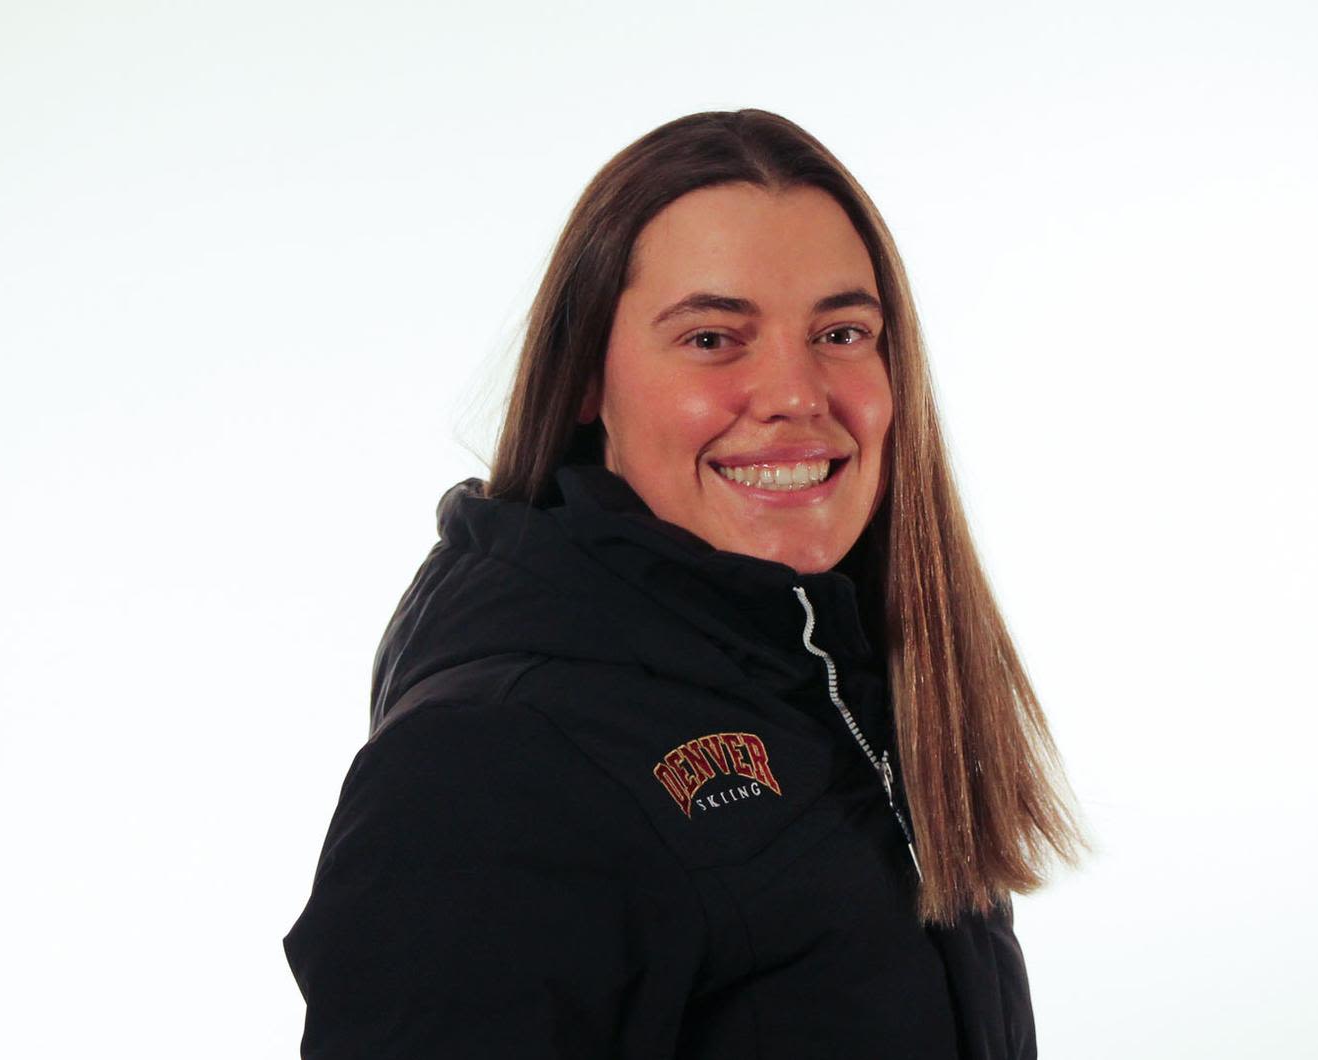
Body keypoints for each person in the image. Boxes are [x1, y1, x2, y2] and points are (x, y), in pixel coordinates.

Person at [281, 108, 1090, 1059]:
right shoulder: (489, 762)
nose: (795, 393)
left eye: (841, 331)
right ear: (587, 377)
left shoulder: (849, 683)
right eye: (713, 338)